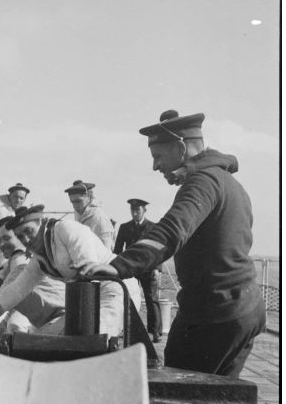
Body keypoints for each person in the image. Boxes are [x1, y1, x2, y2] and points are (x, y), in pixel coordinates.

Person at [78, 109, 265, 377]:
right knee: (219, 400)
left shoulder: (202, 183)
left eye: (157, 156)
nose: (155, 166)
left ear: (180, 147)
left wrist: (120, 266)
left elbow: (171, 230)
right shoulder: (227, 182)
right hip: (245, 310)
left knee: (180, 394)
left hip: (213, 314)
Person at [0, 205, 140, 339]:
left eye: (29, 231)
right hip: (85, 301)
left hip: (116, 289)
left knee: (92, 339)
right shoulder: (40, 259)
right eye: (21, 236)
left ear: (42, 223)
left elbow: (88, 273)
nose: (27, 239)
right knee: (42, 341)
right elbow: (17, 289)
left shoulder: (67, 230)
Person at [0, 216, 66, 337]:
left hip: (63, 317)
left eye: (7, 238)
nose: (2, 244)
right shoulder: (17, 258)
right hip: (47, 316)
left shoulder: (21, 259)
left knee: (15, 326)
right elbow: (5, 268)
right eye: (0, 240)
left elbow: (4, 296)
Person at [114, 199, 163, 343]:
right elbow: (117, 251)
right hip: (130, 269)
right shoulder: (124, 227)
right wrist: (118, 269)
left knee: (151, 300)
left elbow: (158, 250)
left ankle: (155, 332)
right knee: (127, 299)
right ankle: (127, 330)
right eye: (133, 210)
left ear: (144, 211)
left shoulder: (153, 227)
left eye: (138, 210)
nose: (135, 213)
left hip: (148, 268)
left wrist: (157, 268)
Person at [64, 180, 116, 251]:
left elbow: (106, 252)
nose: (75, 206)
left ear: (89, 197)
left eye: (78, 201)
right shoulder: (80, 214)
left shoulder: (99, 218)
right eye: (72, 202)